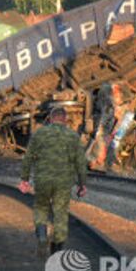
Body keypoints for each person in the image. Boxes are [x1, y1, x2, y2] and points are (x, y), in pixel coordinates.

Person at [19, 108, 87, 257]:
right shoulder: (73, 136)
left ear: (50, 119)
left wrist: (24, 179)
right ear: (65, 119)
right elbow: (81, 163)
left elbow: (28, 158)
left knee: (41, 208)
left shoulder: (39, 134)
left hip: (42, 180)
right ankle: (57, 248)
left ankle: (42, 235)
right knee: (60, 213)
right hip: (63, 182)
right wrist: (82, 184)